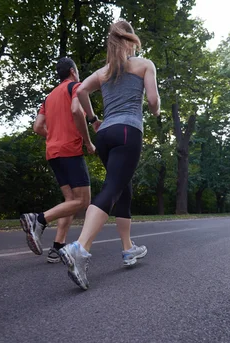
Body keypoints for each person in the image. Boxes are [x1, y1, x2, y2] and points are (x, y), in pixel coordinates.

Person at [59, 20, 161, 289]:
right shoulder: (143, 65)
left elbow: (80, 90)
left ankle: (128, 248)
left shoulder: (103, 72)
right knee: (113, 188)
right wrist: (156, 110)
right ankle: (79, 249)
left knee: (123, 189)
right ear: (130, 40)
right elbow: (152, 102)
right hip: (128, 132)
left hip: (105, 136)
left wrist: (94, 119)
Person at [20, 57, 97, 263]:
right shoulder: (75, 87)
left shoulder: (48, 97)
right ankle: (38, 219)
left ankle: (57, 246)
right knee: (83, 201)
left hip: (53, 152)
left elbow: (37, 127)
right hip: (70, 150)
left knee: (70, 201)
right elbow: (75, 110)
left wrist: (54, 136)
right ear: (73, 71)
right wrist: (88, 142)